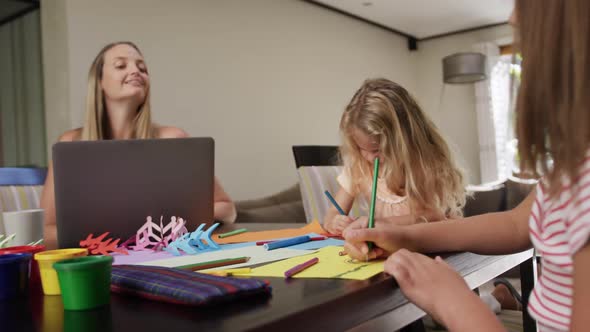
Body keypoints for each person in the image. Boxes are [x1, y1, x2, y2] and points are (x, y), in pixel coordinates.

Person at [343, 1, 590, 330]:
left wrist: (453, 303)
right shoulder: (575, 164)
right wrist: (402, 235)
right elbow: (518, 224)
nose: (513, 16)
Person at [41, 41, 237, 249]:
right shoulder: (70, 144)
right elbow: (45, 228)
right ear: (99, 81)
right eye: (120, 65)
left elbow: (227, 208)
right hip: (96, 262)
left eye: (142, 68)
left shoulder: (173, 139)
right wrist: (105, 242)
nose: (136, 71)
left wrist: (175, 221)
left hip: (165, 258)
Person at [323, 78, 466, 235]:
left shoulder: (426, 165)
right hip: (388, 252)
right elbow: (332, 214)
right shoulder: (360, 167)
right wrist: (335, 221)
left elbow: (434, 216)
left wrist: (380, 224)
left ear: (405, 140)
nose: (369, 158)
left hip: (429, 246)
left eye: (377, 150)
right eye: (361, 148)